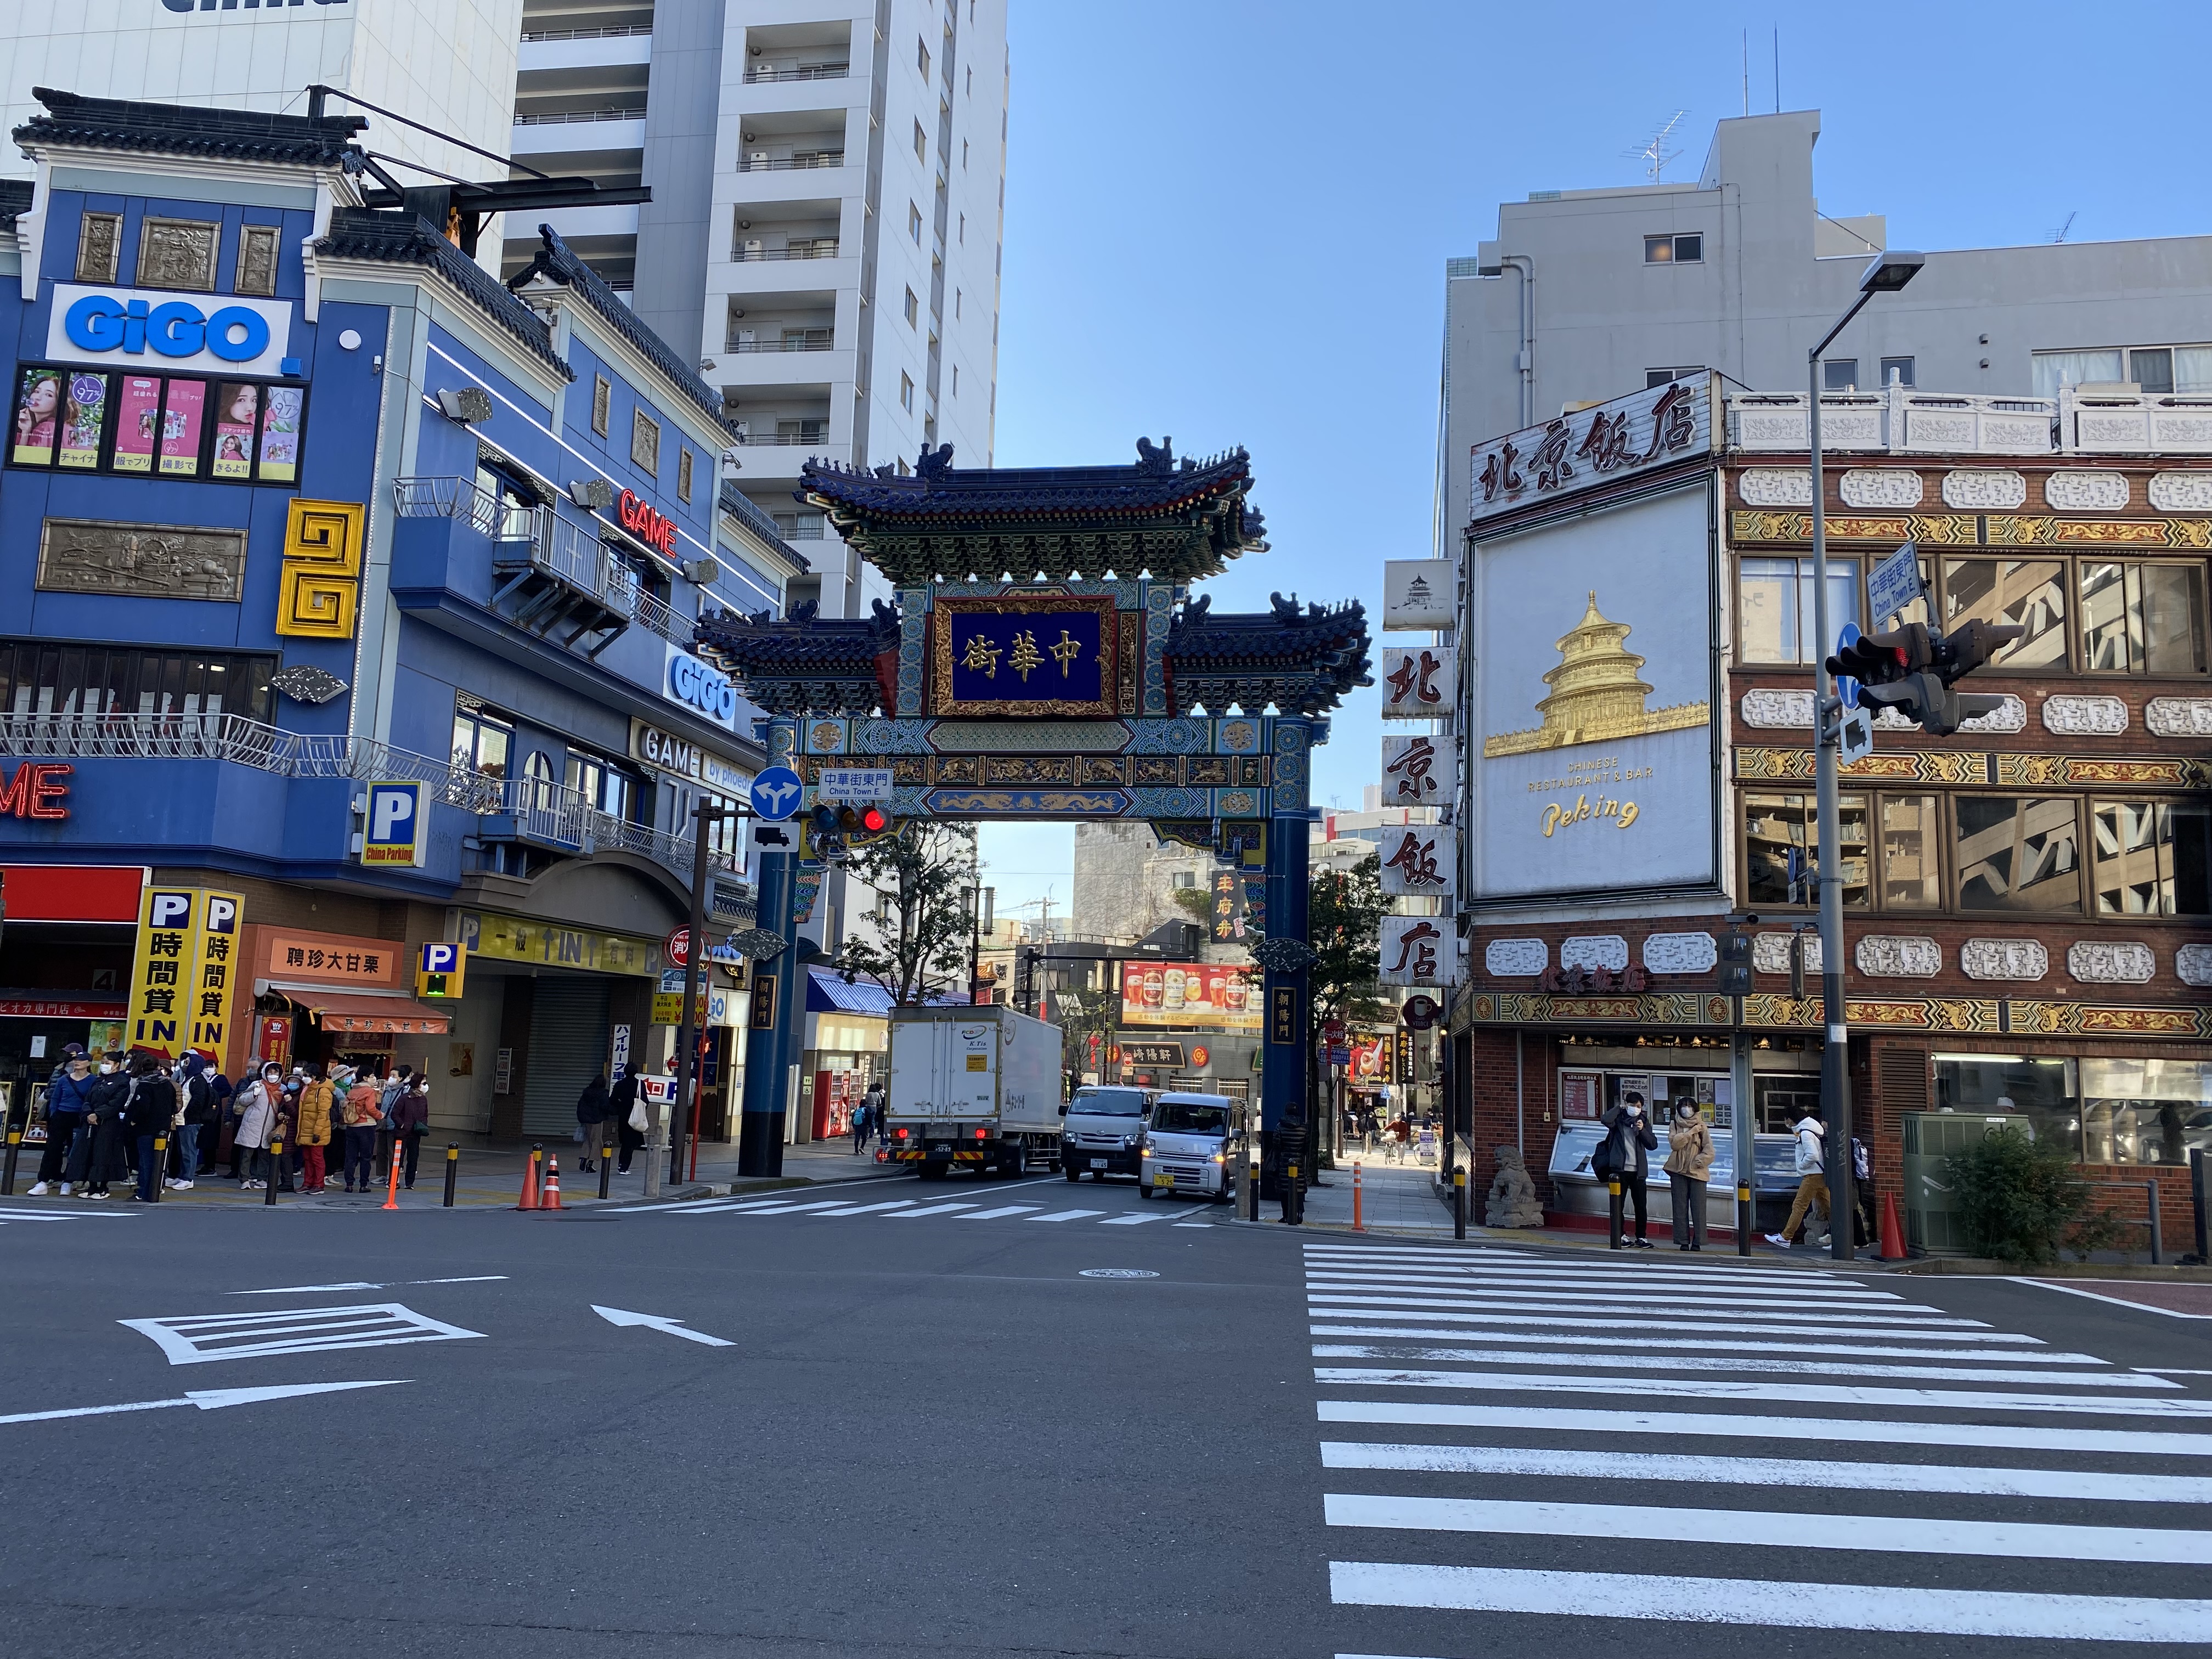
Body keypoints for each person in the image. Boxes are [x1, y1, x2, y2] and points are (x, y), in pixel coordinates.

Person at [1599, 1090, 1660, 1249]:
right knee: (1618, 1205)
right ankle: (1621, 1236)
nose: (1635, 1108)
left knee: (1641, 1205)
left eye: (1638, 1106)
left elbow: (1653, 1145)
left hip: (1638, 1172)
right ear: (1627, 1105)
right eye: (1632, 1105)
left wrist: (1642, 1131)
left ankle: (1641, 1237)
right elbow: (1605, 1120)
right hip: (1619, 1171)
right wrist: (1619, 1108)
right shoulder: (1618, 1121)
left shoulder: (1644, 1122)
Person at [29, 1048, 93, 1195]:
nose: (77, 1062)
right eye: (76, 1060)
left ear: (88, 1063)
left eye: (81, 1060)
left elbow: (92, 1099)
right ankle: (43, 1181)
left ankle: (69, 1181)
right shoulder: (65, 1079)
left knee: (75, 1150)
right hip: (61, 1115)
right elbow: (56, 1097)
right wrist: (54, 1113)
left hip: (79, 1117)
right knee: (53, 1149)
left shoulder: (93, 1081)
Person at [68, 1053, 131, 1198]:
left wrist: (99, 1114)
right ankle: (91, 1186)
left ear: (116, 1064)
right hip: (91, 1123)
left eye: (107, 1062)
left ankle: (102, 1188)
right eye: (103, 1062)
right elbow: (88, 1099)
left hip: (108, 1124)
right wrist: (89, 1113)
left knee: (104, 1154)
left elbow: (116, 1103)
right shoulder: (98, 1081)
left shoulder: (121, 1082)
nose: (104, 1065)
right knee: (88, 1153)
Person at [1767, 1104, 1830, 1249]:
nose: (1786, 1122)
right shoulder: (1810, 1130)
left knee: (1799, 1206)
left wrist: (1801, 1165)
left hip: (1812, 1175)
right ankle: (1842, 1236)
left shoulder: (1805, 1133)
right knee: (1829, 1207)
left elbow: (1813, 1155)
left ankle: (1786, 1237)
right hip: (1819, 1174)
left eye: (1786, 1119)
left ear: (1790, 1119)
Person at [125, 1051, 177, 1203]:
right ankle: (156, 1189)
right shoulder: (167, 1083)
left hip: (146, 1128)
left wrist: (133, 1120)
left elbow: (142, 1108)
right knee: (159, 1160)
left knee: (146, 1160)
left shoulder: (145, 1085)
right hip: (163, 1128)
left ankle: (144, 1191)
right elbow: (174, 1106)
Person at [1663, 1100, 1714, 1251]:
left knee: (1699, 1209)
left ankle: (1698, 1242)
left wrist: (1699, 1161)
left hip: (1697, 1172)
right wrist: (1691, 1132)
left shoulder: (1702, 1126)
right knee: (1680, 1208)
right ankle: (1683, 1241)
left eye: (1690, 1106)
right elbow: (1675, 1144)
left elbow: (1709, 1150)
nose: (1687, 1109)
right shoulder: (1675, 1124)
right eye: (1684, 1106)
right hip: (1678, 1171)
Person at [232, 1062, 283, 1189]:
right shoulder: (257, 1084)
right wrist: (254, 1094)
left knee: (264, 1155)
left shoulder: (282, 1089)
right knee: (247, 1154)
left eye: (276, 1072)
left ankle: (262, 1179)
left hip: (269, 1127)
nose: (273, 1075)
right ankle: (244, 1179)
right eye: (270, 1072)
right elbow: (242, 1100)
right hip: (252, 1125)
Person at [170, 1052, 217, 1190]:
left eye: (188, 1062)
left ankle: (188, 1178)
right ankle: (181, 1175)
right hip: (181, 1121)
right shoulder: (188, 1078)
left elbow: (198, 1100)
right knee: (181, 1150)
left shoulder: (199, 1080)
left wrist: (188, 1113)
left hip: (189, 1121)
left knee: (189, 1151)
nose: (186, 1064)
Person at [343, 1065, 386, 1193]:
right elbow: (371, 1109)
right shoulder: (369, 1091)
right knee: (366, 1157)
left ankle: (349, 1184)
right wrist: (381, 1115)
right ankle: (363, 1185)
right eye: (372, 1076)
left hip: (351, 1126)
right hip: (366, 1126)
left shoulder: (352, 1090)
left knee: (351, 1156)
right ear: (365, 1078)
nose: (375, 1079)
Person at [294, 1063, 335, 1196]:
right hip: (306, 1129)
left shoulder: (322, 1090)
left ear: (314, 1076)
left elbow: (323, 1114)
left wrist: (317, 1132)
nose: (304, 1078)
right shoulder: (308, 1089)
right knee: (308, 1159)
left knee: (317, 1159)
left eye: (306, 1075)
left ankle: (319, 1184)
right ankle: (308, 1183)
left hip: (317, 1131)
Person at [391, 1074, 430, 1189]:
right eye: (423, 1083)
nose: (425, 1085)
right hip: (402, 1133)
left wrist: (423, 1125)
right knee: (398, 1159)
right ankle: (394, 1181)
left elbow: (425, 1114)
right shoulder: (405, 1098)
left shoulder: (423, 1099)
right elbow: (395, 1114)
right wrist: (402, 1125)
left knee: (413, 1158)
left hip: (416, 1133)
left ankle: (410, 1182)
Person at [611, 1064, 644, 1174]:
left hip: (623, 1116)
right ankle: (624, 1167)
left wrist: (621, 1105)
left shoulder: (620, 1084)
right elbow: (645, 1101)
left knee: (625, 1142)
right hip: (635, 1116)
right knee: (631, 1144)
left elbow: (613, 1100)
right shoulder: (640, 1084)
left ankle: (621, 1165)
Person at [576, 1071, 610, 1173]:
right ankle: (590, 1164)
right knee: (597, 1141)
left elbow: (580, 1105)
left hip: (587, 1120)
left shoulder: (587, 1092)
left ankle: (583, 1158)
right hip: (597, 1120)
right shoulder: (603, 1094)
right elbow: (605, 1107)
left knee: (588, 1139)